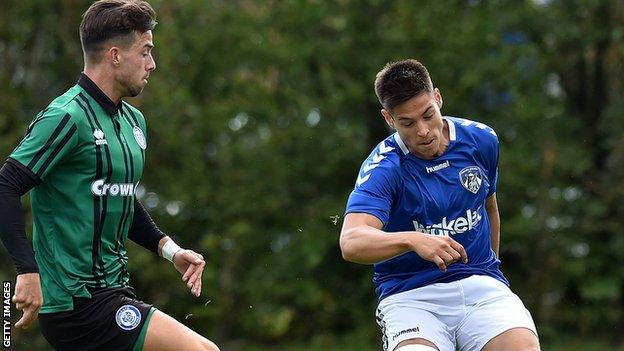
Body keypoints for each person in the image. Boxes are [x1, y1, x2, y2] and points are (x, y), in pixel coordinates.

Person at [0, 1, 219, 350]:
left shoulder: (133, 122)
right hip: (77, 303)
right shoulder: (66, 117)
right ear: (115, 56)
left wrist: (171, 250)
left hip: (114, 291)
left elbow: (117, 198)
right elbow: (6, 185)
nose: (152, 64)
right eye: (145, 52)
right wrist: (27, 271)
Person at [340, 59, 540, 351]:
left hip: (480, 284)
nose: (422, 131)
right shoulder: (385, 167)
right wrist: (413, 240)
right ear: (389, 119)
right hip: (411, 295)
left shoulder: (481, 140)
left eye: (427, 115)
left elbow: (489, 207)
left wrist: (491, 273)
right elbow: (351, 241)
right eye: (407, 123)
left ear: (438, 97)